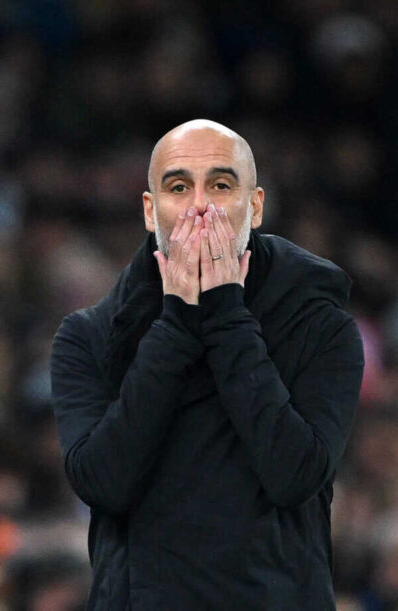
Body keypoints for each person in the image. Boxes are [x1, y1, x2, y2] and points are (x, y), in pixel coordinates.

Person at [51, 119, 364, 609]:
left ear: (255, 206)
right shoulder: (89, 336)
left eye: (220, 185)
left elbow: (296, 475)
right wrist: (176, 325)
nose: (200, 206)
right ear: (150, 211)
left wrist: (225, 316)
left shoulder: (321, 327)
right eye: (179, 187)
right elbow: (103, 483)